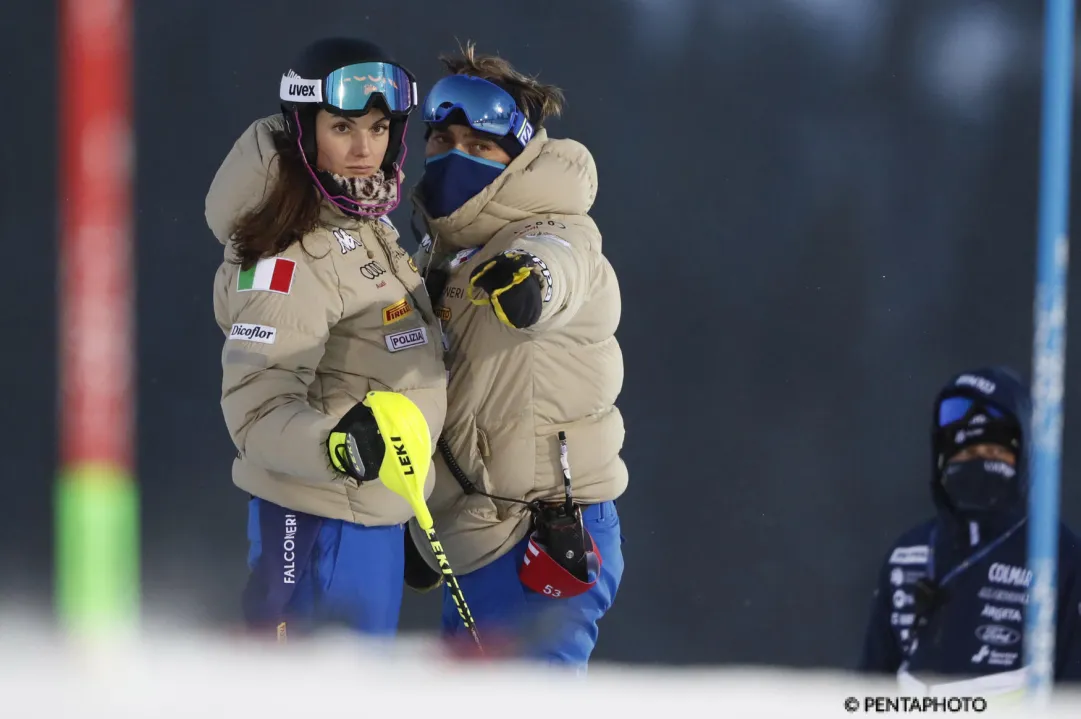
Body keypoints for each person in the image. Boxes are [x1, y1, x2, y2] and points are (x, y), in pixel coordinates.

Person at [205, 37, 447, 639]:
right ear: (304, 131)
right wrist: (336, 445)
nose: (366, 149)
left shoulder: (366, 227)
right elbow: (256, 410)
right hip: (312, 524)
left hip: (367, 522)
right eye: (343, 127)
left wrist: (407, 508)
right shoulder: (293, 250)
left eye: (380, 127)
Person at [403, 42, 626, 670]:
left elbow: (565, 263)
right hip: (470, 535)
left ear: (519, 156)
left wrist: (534, 280)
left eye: (480, 148)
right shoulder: (441, 257)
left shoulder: (550, 229)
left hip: (542, 536)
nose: (455, 159)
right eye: (442, 142)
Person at [858, 366, 1081, 696]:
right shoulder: (909, 552)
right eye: (967, 454)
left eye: (994, 453)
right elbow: (869, 686)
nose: (979, 464)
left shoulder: (1056, 554)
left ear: (1022, 460)